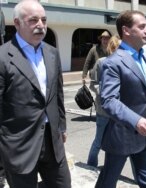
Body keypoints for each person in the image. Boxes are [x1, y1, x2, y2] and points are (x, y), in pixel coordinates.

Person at [0, 1, 71, 188]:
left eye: (44, 20)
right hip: (19, 146)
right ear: (17, 23)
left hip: (52, 142)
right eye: (33, 20)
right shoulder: (3, 57)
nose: (40, 24)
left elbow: (58, 95)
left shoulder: (52, 53)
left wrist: (61, 126)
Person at [95, 10, 146, 188]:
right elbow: (108, 100)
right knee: (107, 182)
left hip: (145, 134)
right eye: (142, 26)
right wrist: (136, 120)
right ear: (126, 30)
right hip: (121, 134)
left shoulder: (144, 57)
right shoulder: (112, 63)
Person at [87, 35, 121, 167]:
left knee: (115, 142)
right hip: (103, 110)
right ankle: (90, 166)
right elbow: (93, 84)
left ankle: (110, 169)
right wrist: (104, 94)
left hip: (118, 110)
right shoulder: (101, 62)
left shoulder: (123, 63)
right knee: (99, 141)